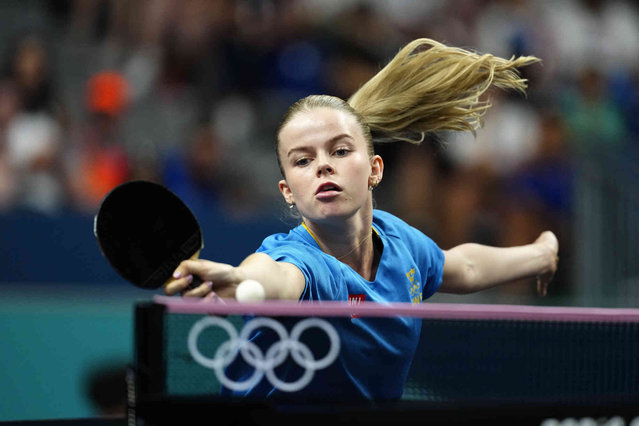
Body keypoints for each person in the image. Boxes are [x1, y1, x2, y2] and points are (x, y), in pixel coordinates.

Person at [164, 38, 559, 400]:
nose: (322, 167)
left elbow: (465, 266)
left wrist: (540, 255)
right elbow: (271, 277)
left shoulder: (400, 243)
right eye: (302, 160)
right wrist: (238, 281)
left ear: (375, 169)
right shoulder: (302, 263)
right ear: (287, 191)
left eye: (338, 151)